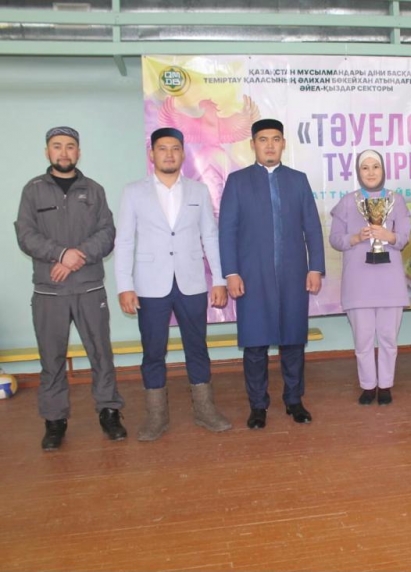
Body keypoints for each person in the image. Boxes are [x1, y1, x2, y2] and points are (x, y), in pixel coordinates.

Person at [115, 127, 232, 441]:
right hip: (150, 285)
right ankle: (156, 416)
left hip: (191, 282)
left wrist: (219, 279)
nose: (169, 154)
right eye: (162, 148)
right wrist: (125, 285)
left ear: (182, 154)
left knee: (197, 348)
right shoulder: (133, 192)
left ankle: (205, 410)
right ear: (151, 154)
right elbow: (124, 241)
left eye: (175, 148)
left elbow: (210, 236)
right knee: (153, 351)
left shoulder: (198, 191)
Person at [15, 126, 126, 451]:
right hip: (50, 291)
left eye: (70, 146)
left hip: (89, 289)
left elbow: (107, 233)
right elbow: (25, 234)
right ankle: (54, 421)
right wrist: (61, 253)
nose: (64, 152)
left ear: (79, 152)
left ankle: (109, 412)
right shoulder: (33, 190)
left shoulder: (94, 190)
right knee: (51, 359)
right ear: (47, 152)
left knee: (101, 354)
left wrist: (77, 257)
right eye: (57, 146)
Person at [218, 119, 325, 428]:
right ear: (252, 144)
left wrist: (315, 267)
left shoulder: (297, 180)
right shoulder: (237, 182)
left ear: (283, 144)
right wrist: (231, 273)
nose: (269, 145)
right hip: (253, 275)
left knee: (293, 341)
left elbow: (312, 228)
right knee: (255, 344)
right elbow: (227, 231)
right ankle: (257, 405)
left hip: (293, 274)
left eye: (275, 139)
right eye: (263, 139)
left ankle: (294, 400)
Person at [329, 149, 411, 405]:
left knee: (388, 338)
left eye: (376, 166)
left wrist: (390, 237)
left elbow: (404, 238)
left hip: (390, 282)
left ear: (383, 170)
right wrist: (355, 238)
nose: (371, 172)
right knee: (363, 339)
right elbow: (335, 239)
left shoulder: (396, 200)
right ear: (358, 172)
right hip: (358, 282)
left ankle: (385, 385)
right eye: (365, 167)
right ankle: (367, 385)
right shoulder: (347, 202)